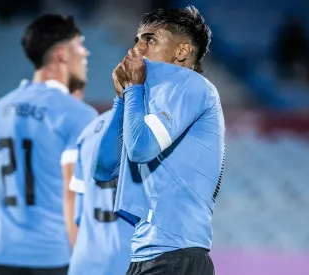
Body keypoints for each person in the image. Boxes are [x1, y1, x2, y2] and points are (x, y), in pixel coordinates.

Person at [91, 6, 225, 275]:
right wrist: (123, 97)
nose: (136, 49)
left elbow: (141, 149)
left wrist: (135, 89)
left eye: (149, 39)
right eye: (136, 40)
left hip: (176, 255)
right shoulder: (148, 100)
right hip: (150, 253)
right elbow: (103, 169)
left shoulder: (192, 86)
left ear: (182, 51)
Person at [0, 14, 97, 275]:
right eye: (79, 45)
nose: (85, 52)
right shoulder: (78, 114)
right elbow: (73, 195)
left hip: (0, 252)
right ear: (61, 54)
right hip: (50, 256)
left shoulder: (3, 106)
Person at [67, 110, 134, 275]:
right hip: (131, 262)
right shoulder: (154, 129)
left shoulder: (87, 132)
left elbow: (78, 216)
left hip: (85, 263)